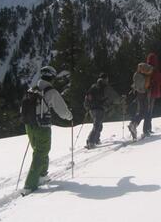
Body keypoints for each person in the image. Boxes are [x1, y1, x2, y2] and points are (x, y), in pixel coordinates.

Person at [22, 66, 73, 195]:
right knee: (41, 152)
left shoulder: (32, 89)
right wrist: (70, 116)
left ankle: (43, 175)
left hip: (29, 125)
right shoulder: (51, 91)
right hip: (42, 127)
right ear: (52, 77)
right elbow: (62, 111)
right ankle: (30, 184)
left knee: (40, 150)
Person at [84, 72, 121, 149]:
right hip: (99, 108)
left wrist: (87, 106)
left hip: (91, 109)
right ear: (106, 79)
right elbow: (114, 97)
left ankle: (96, 139)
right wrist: (120, 100)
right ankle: (90, 141)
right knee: (97, 125)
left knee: (98, 125)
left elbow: (87, 96)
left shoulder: (93, 86)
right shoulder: (105, 86)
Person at [143, 53, 161, 136]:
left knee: (147, 110)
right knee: (149, 111)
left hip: (144, 92)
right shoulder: (154, 70)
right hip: (152, 92)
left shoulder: (145, 69)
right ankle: (147, 130)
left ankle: (147, 128)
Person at [127, 62, 153, 140]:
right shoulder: (145, 75)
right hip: (144, 94)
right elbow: (146, 84)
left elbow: (135, 84)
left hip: (139, 94)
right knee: (146, 112)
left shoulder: (136, 75)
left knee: (141, 111)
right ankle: (145, 131)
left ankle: (133, 124)